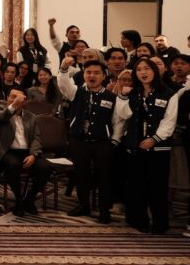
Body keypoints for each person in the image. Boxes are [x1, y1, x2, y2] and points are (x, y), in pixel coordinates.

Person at [114, 57, 177, 234]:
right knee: (136, 184)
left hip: (158, 146)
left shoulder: (168, 93)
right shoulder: (133, 92)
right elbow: (124, 115)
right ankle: (138, 220)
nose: (143, 72)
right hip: (135, 144)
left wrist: (155, 138)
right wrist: (122, 96)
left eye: (147, 68)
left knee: (157, 186)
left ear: (155, 71)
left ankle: (159, 224)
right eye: (139, 69)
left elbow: (169, 121)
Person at [58, 57, 121, 223]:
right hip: (79, 140)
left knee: (104, 176)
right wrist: (64, 68)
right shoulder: (76, 92)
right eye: (88, 72)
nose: (92, 76)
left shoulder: (111, 97)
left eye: (96, 73)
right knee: (81, 174)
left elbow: (117, 121)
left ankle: (104, 210)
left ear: (104, 76)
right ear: (84, 74)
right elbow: (63, 84)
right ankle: (84, 205)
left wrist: (114, 140)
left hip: (102, 142)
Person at [0, 89, 51, 217]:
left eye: (19, 98)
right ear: (7, 98)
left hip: (27, 152)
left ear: (25, 101)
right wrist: (14, 104)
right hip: (8, 151)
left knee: (45, 168)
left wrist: (33, 154)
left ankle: (29, 199)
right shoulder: (0, 110)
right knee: (13, 165)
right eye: (12, 97)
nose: (15, 99)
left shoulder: (31, 116)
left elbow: (36, 138)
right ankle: (19, 200)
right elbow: (1, 118)